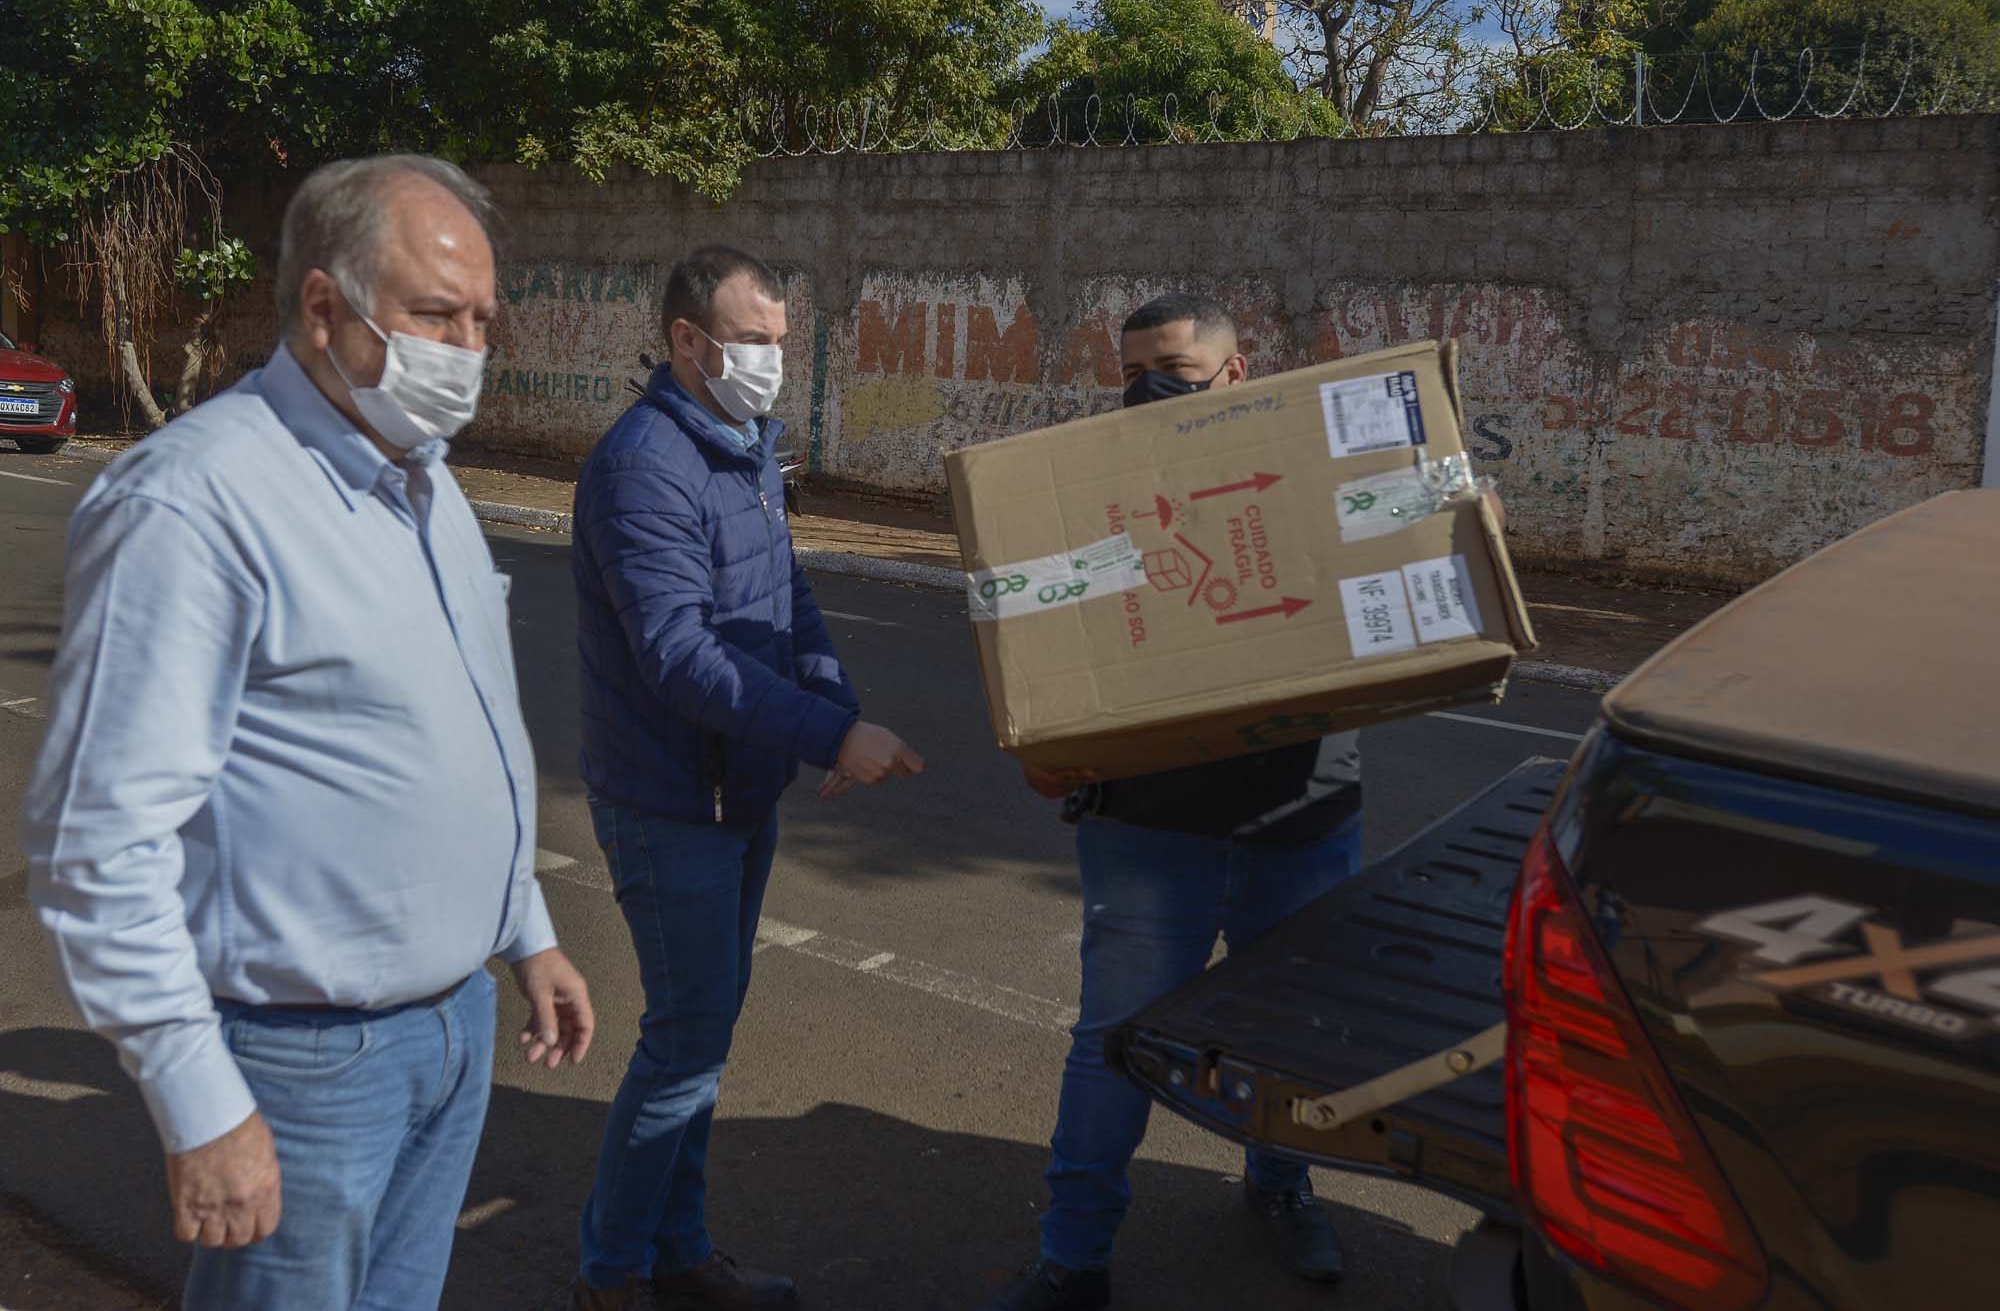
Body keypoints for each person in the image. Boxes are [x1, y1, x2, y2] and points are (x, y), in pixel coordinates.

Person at [20, 154, 594, 1311]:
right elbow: (98, 844)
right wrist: (201, 1100)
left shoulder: (426, 485)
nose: (468, 351)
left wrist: (522, 929)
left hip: (454, 1025)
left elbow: (455, 735)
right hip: (303, 1060)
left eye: (482, 319)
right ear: (323, 308)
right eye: (435, 315)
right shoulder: (194, 500)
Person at [982, 293, 1365, 1311]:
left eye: (1175, 371)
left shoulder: (1304, 472)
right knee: (1111, 1045)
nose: (1149, 390)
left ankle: (1280, 1184)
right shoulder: (1092, 498)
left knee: (1288, 1035)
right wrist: (1045, 749)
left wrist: (1464, 514)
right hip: (1146, 830)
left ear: (1237, 377)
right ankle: (1072, 1256)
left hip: (1301, 814)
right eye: (1132, 373)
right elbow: (1041, 642)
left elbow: (1416, 523)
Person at [569, 244, 924, 1311]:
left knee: (704, 1036)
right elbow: (679, 655)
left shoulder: (741, 444)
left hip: (737, 793)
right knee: (682, 1042)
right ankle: (612, 1271)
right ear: (688, 340)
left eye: (780, 341)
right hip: (671, 802)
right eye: (754, 342)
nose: (773, 360)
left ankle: (678, 1251)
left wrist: (837, 710)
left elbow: (786, 601)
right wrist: (827, 737)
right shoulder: (644, 466)